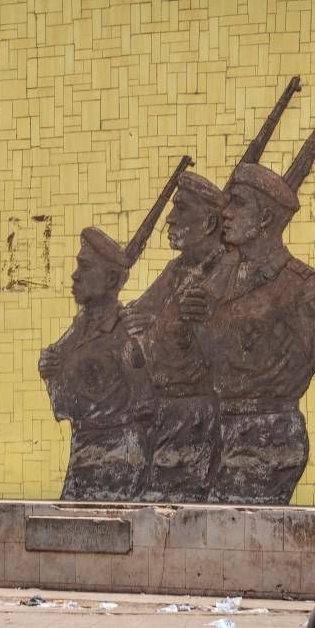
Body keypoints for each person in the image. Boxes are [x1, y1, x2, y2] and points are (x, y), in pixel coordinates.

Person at [190, 163, 315, 504]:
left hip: (266, 440)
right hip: (216, 434)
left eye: (238, 202)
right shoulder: (219, 280)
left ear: (266, 218)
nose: (225, 212)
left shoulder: (300, 285)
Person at [120, 172, 235, 502]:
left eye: (181, 209)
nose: (170, 218)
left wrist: (152, 331)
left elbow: (197, 343)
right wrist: (143, 328)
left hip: (200, 416)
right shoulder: (177, 269)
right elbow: (134, 322)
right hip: (166, 411)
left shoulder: (227, 269)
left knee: (176, 506)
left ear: (209, 223)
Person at [40, 227, 152, 500]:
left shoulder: (126, 330)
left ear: (111, 278)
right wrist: (50, 371)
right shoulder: (79, 328)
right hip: (83, 449)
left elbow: (145, 403)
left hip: (117, 456)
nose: (75, 275)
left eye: (85, 266)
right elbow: (65, 406)